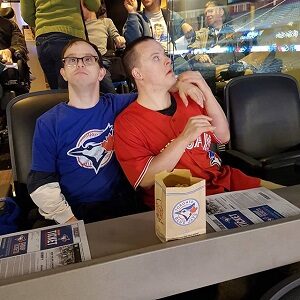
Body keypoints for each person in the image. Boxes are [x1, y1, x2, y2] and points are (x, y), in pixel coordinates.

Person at [27, 37, 206, 224]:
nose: (80, 64)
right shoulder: (48, 122)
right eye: (72, 60)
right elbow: (41, 181)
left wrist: (177, 85)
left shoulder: (120, 104)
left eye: (88, 59)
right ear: (63, 72)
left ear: (101, 72)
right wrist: (69, 220)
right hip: (75, 210)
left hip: (125, 205)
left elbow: (153, 89)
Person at [114, 37, 281, 209]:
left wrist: (205, 88)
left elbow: (222, 136)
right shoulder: (127, 123)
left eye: (164, 55)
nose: (167, 61)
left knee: (289, 199)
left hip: (225, 181)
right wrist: (183, 139)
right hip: (180, 202)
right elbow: (145, 180)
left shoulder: (188, 96)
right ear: (138, 74)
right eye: (156, 58)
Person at [20, 0, 101, 89]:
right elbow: (94, 5)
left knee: (56, 90)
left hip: (43, 40)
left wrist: (45, 25)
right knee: (76, 90)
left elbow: (26, 15)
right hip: (70, 35)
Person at [81, 3, 126, 94]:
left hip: (102, 59)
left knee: (99, 70)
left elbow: (115, 35)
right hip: (85, 61)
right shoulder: (80, 26)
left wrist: (119, 39)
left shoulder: (105, 22)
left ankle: (113, 99)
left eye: (83, 5)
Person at [123, 0, 195, 54]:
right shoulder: (136, 18)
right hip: (151, 61)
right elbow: (132, 43)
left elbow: (191, 38)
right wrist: (132, 12)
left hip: (173, 58)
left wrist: (186, 27)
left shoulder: (171, 15)